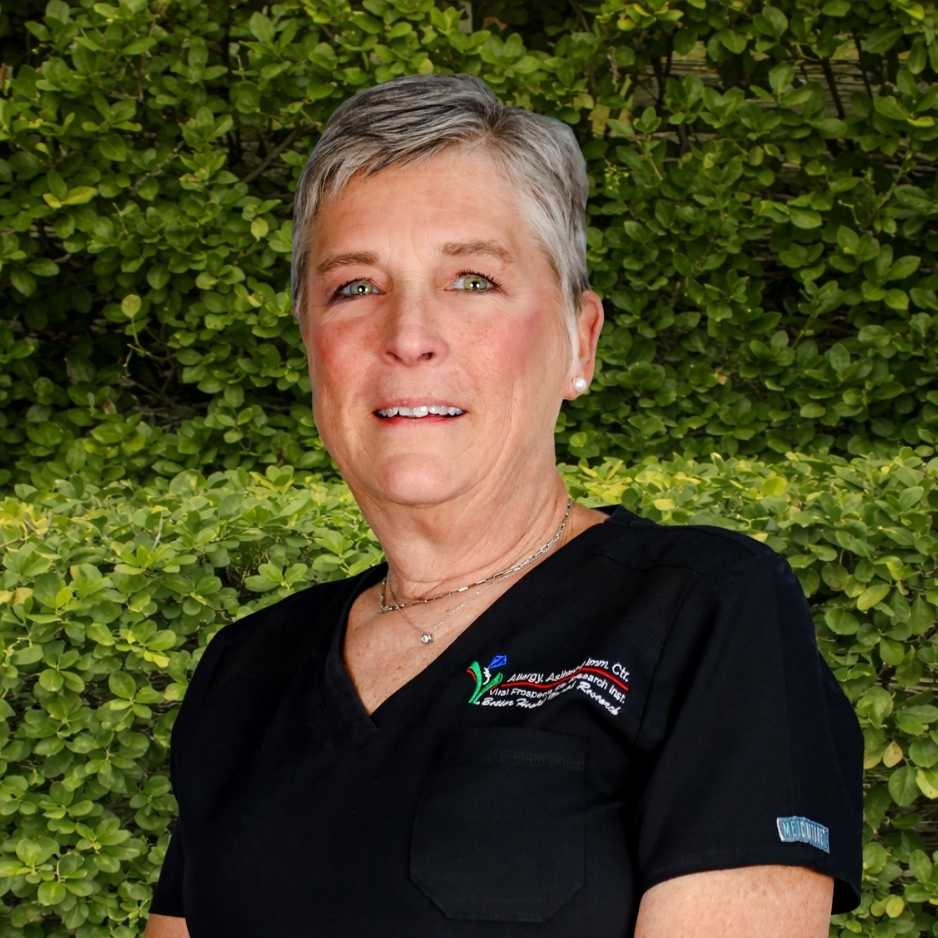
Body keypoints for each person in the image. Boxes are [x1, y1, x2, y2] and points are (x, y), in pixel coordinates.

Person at [144, 73, 863, 937]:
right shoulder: (245, 672)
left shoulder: (703, 609)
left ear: (579, 342)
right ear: (310, 347)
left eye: (474, 280)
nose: (409, 336)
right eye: (355, 288)